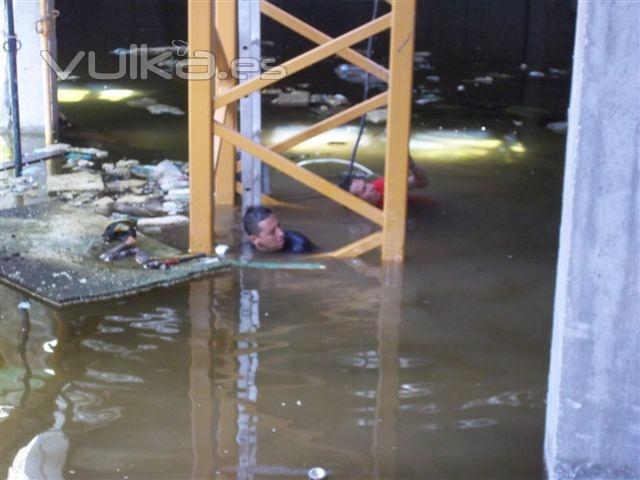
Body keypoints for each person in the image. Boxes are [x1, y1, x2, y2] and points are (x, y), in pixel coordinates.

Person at [339, 156, 429, 208]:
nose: (372, 186)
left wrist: (414, 168)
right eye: (364, 189)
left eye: (366, 184)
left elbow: (420, 183)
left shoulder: (382, 185)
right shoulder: (359, 213)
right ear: (357, 202)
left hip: (419, 207)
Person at [243, 206, 316, 254]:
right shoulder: (247, 248)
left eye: (279, 226)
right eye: (272, 232)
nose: (281, 233)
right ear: (255, 239)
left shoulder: (300, 246)